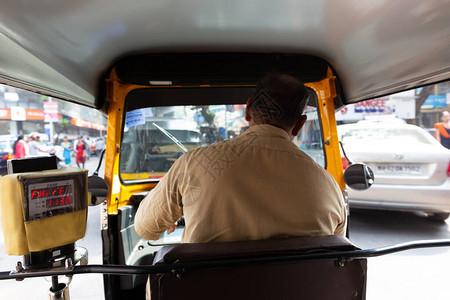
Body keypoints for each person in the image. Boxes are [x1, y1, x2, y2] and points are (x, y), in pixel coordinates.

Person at [135, 73, 347, 246]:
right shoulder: (328, 184)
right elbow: (336, 250)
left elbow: (145, 228)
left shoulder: (194, 163)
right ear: (300, 124)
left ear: (248, 110)